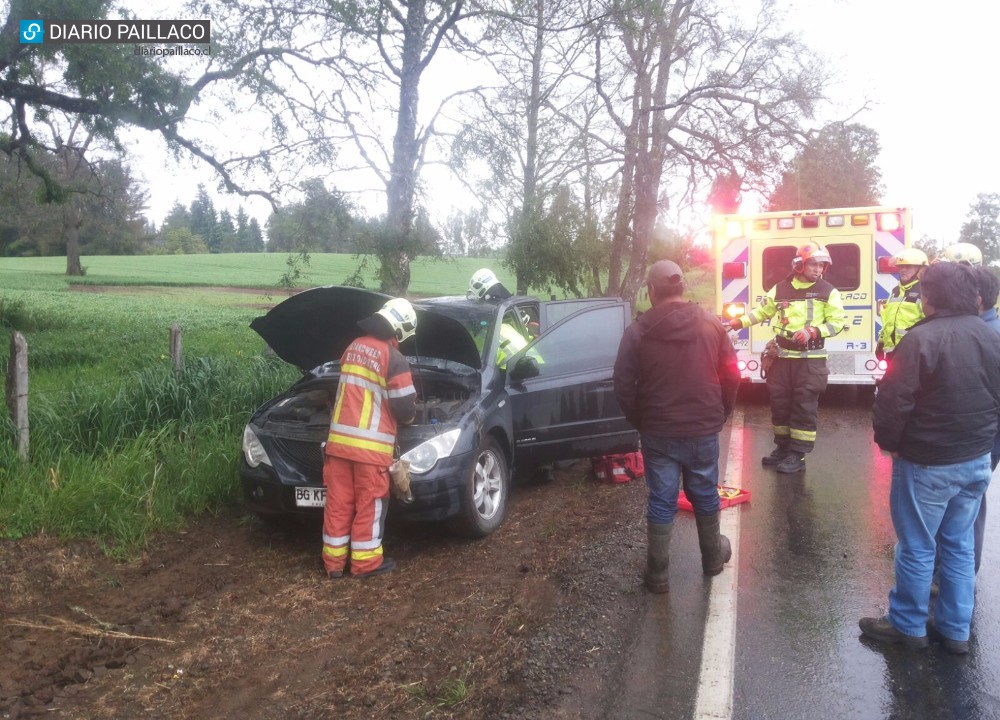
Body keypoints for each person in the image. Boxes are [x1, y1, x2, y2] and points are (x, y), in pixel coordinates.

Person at [860, 261, 1000, 654]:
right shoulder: (992, 336)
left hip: (927, 462)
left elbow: (892, 400)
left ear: (931, 297)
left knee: (918, 545)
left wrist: (889, 442)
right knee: (958, 544)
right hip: (975, 459)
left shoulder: (920, 339)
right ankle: (956, 630)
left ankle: (907, 625)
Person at [614, 260, 741, 592]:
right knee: (704, 491)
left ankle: (657, 575)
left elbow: (623, 384)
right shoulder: (711, 325)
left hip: (659, 432)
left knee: (662, 498)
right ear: (682, 288)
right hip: (702, 428)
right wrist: (722, 411)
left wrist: (640, 420)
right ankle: (713, 560)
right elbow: (732, 373)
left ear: (652, 291)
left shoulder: (638, 331)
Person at [727, 243, 846, 473]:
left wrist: (813, 331)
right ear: (799, 265)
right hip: (781, 359)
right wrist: (737, 323)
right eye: (814, 264)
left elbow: (837, 322)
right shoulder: (780, 289)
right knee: (780, 405)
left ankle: (798, 456)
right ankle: (782, 449)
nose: (818, 269)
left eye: (822, 265)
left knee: (804, 407)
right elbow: (762, 312)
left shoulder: (828, 291)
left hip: (810, 361)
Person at [322, 297, 418, 579]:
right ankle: (365, 564)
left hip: (338, 445)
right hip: (370, 449)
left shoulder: (353, 347)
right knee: (370, 503)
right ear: (401, 328)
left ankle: (333, 564)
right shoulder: (394, 357)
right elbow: (403, 407)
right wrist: (413, 414)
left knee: (338, 504)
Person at [876, 248, 928, 360]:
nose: (902, 270)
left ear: (920, 269)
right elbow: (887, 321)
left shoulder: (924, 291)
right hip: (893, 353)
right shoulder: (895, 291)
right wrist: (881, 342)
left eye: (908, 266)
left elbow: (930, 324)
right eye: (901, 266)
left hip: (915, 353)